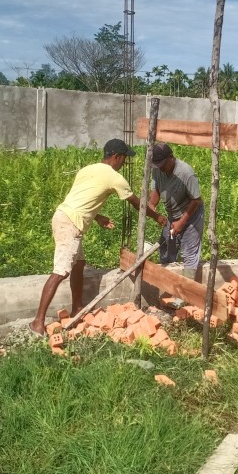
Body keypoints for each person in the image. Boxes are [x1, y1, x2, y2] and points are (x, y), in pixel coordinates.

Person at [29, 138, 164, 336]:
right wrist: (158, 217)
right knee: (61, 271)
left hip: (64, 216)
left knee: (79, 264)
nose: (124, 163)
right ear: (116, 157)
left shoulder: (87, 169)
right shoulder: (114, 177)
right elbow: (138, 204)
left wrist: (97, 217)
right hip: (70, 224)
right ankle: (38, 322)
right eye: (124, 159)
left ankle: (77, 308)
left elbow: (80, 199)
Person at [148, 142, 205, 280]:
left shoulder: (186, 173)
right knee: (166, 248)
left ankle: (185, 295)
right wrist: (151, 205)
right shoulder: (157, 168)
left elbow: (196, 200)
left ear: (171, 157)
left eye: (162, 164)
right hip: (173, 215)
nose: (160, 168)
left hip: (192, 215)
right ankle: (169, 283)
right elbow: (156, 189)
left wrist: (181, 222)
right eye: (157, 165)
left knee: (189, 253)